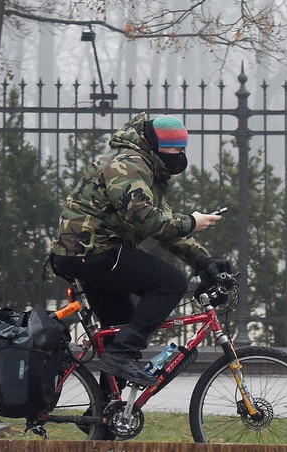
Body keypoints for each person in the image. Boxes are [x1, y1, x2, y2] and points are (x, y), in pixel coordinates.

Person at [49, 113, 228, 387]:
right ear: (155, 144)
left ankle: (107, 418)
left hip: (91, 253)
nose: (179, 155)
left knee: (120, 330)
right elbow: (145, 220)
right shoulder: (128, 163)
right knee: (170, 283)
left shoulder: (149, 168)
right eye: (174, 148)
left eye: (183, 149)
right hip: (91, 251)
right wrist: (193, 221)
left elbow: (162, 226)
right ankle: (119, 356)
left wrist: (204, 261)